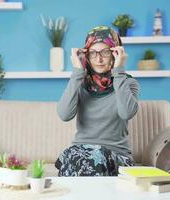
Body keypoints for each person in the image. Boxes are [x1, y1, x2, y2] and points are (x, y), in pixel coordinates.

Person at [55, 25, 140, 176]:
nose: (98, 59)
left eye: (105, 52)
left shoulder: (127, 83)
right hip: (81, 154)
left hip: (116, 155)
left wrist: (119, 71)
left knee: (95, 157)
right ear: (86, 56)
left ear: (116, 53)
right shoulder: (79, 82)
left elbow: (127, 113)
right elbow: (64, 115)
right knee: (72, 157)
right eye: (93, 53)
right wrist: (77, 72)